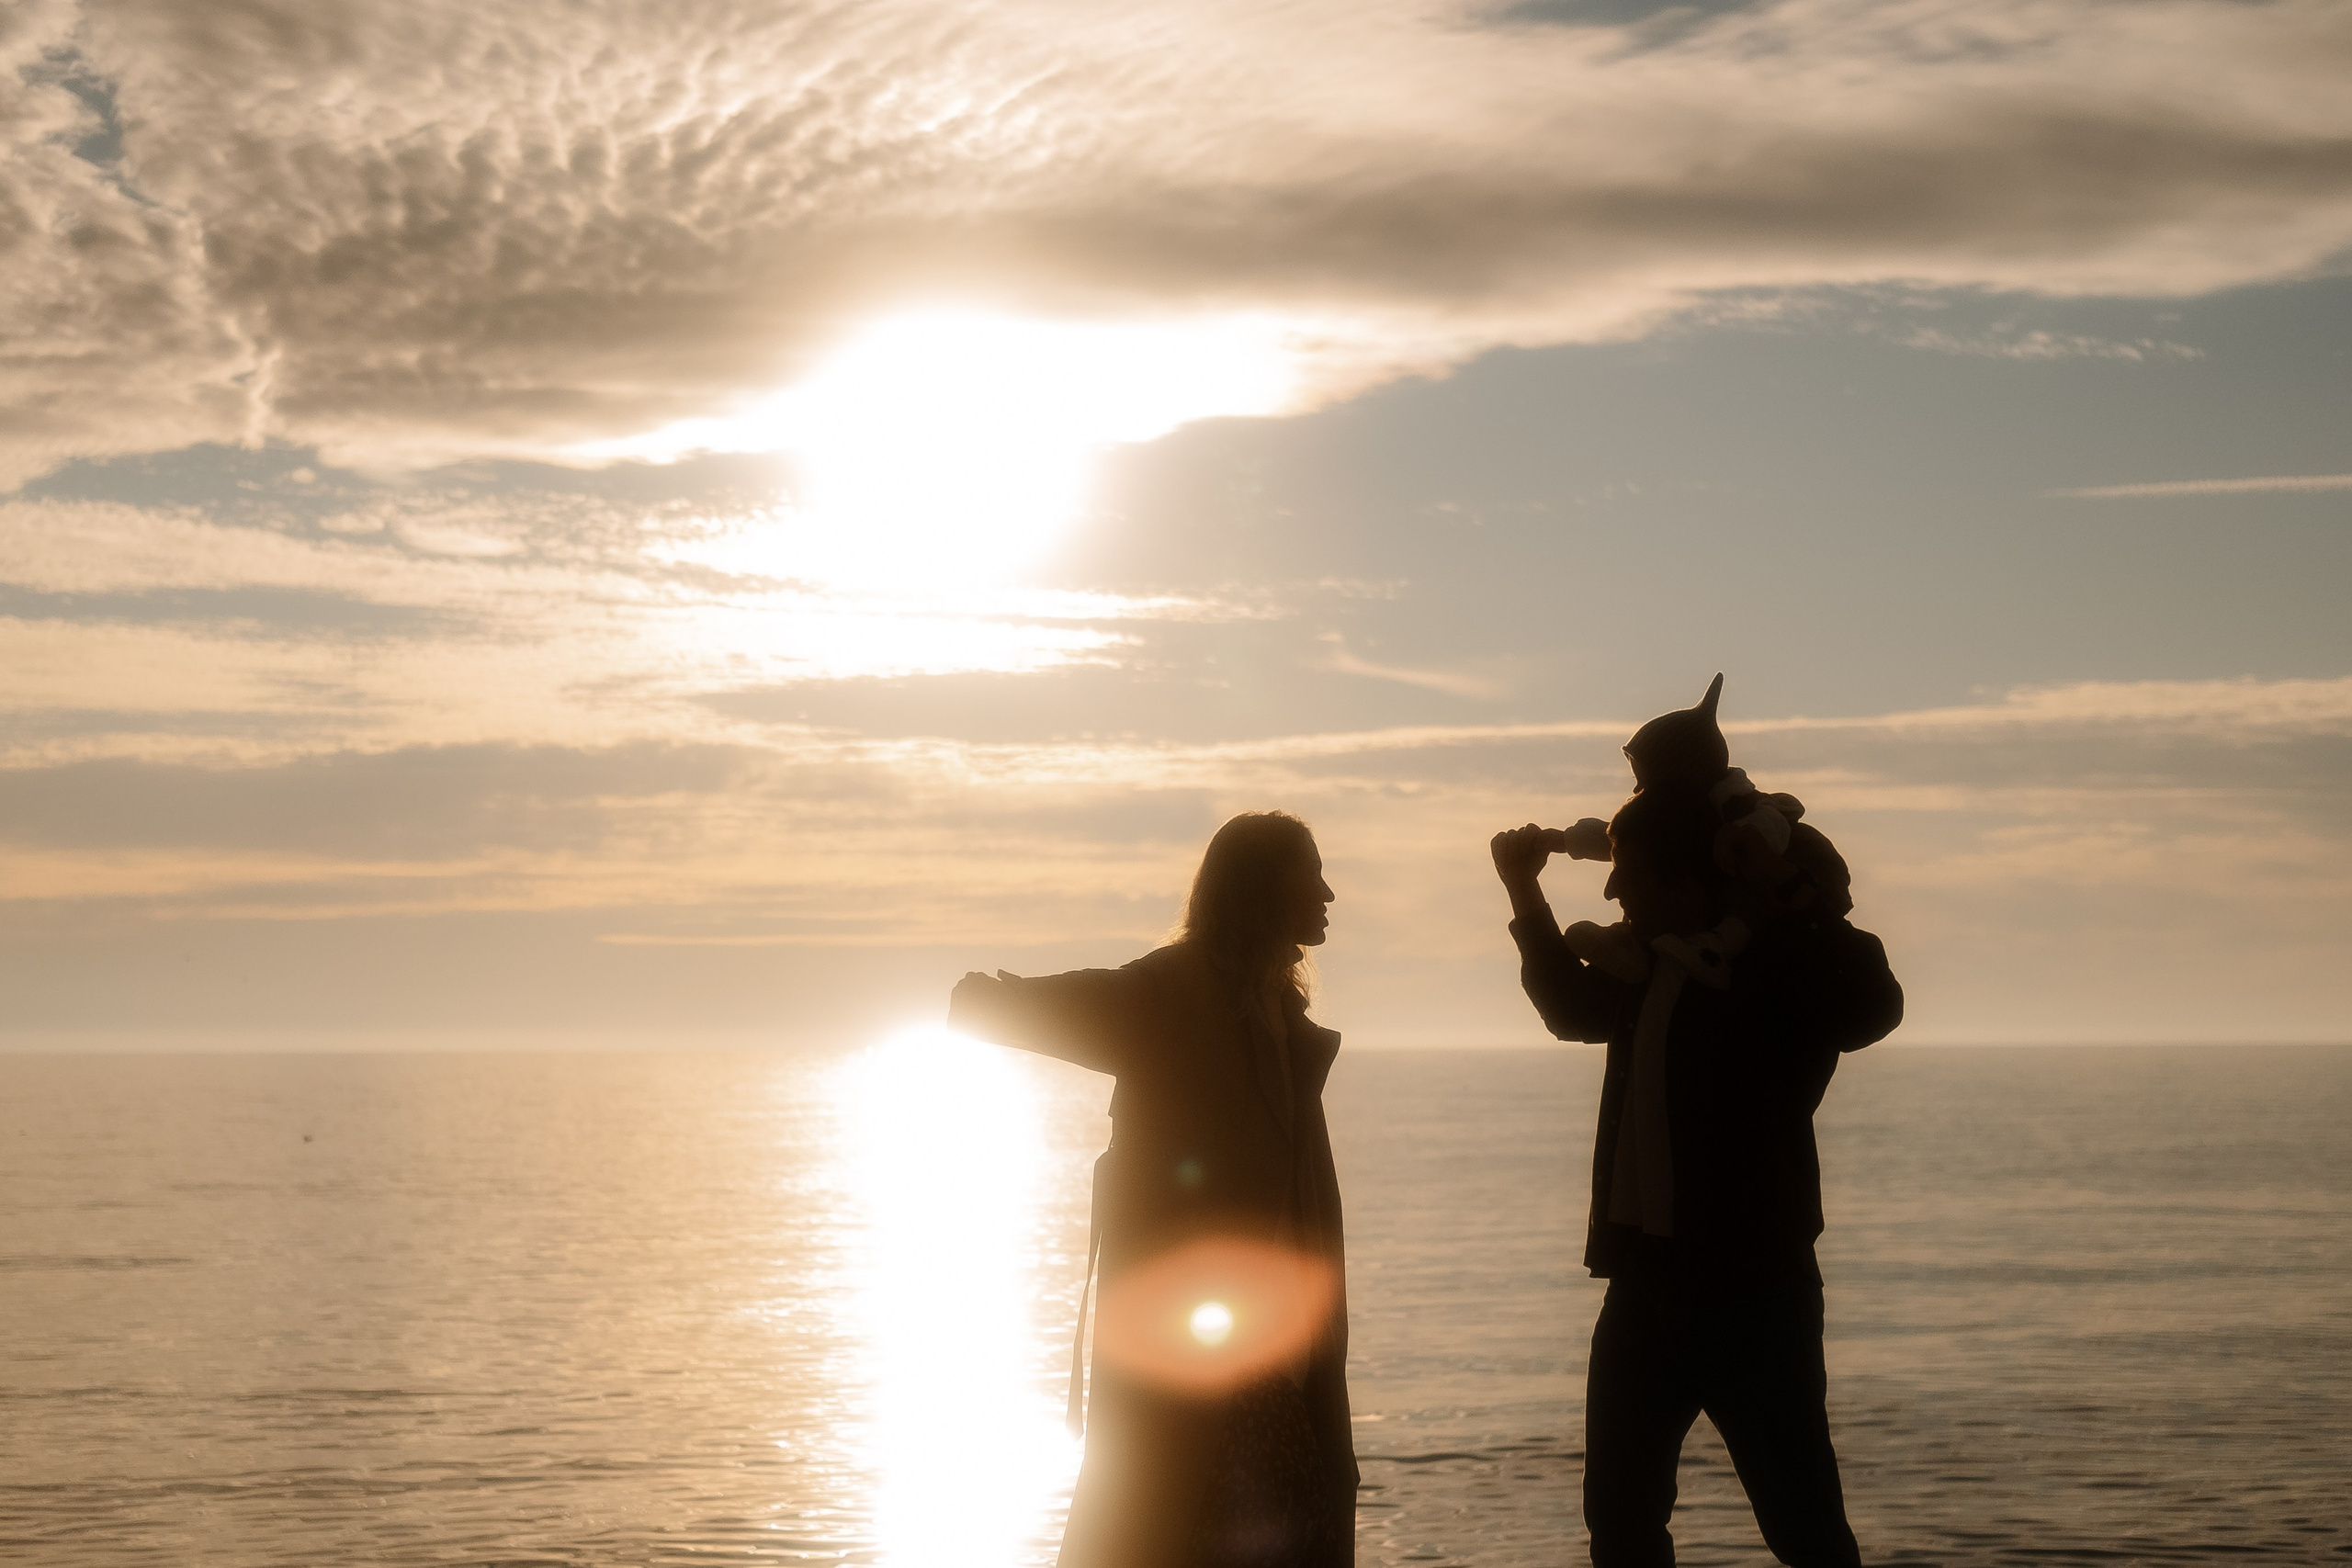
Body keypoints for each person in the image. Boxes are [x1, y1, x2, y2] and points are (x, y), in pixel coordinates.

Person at [1492, 778, 1903, 1568]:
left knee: (1805, 1529)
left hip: (1755, 1294)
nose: (1616, 892)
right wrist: (1523, 893)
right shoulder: (1645, 969)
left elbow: (1873, 1003)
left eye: (1634, 877)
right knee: (1620, 1523)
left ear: (1691, 884)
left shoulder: (1767, 970)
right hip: (1644, 1290)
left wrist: (1784, 886)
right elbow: (1569, 1007)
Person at [950, 811, 1357, 1568]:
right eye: (1312, 871)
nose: (1329, 891)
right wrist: (990, 1002)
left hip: (1278, 1329)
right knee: (1230, 1516)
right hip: (1201, 1337)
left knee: (1263, 1519)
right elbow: (1074, 1004)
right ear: (1265, 886)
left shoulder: (1280, 1011)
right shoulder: (1179, 988)